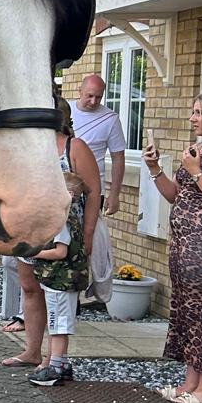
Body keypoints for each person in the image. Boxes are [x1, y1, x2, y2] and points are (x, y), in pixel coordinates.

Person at [3, 100, 100, 375]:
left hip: (63, 234)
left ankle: (52, 357)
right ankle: (31, 351)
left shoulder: (75, 147)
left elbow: (93, 192)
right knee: (30, 287)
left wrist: (89, 234)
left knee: (55, 291)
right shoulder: (30, 148)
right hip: (31, 230)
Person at [143, 90, 202, 403]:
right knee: (187, 314)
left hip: (201, 248)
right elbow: (175, 195)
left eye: (197, 112)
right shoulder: (196, 149)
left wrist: (196, 171)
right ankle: (189, 384)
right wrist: (155, 169)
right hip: (182, 246)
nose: (192, 117)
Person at [27, 170, 91, 387]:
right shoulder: (66, 216)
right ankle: (61, 364)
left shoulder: (61, 219)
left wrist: (34, 252)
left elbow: (60, 252)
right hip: (62, 280)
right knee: (60, 323)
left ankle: (54, 368)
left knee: (57, 325)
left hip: (60, 280)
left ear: (69, 194)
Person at [72, 73, 127, 305]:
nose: (93, 101)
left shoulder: (110, 119)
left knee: (88, 241)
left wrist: (114, 194)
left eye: (98, 97)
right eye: (89, 96)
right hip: (64, 186)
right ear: (80, 92)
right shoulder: (64, 111)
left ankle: (81, 291)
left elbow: (118, 157)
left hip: (92, 190)